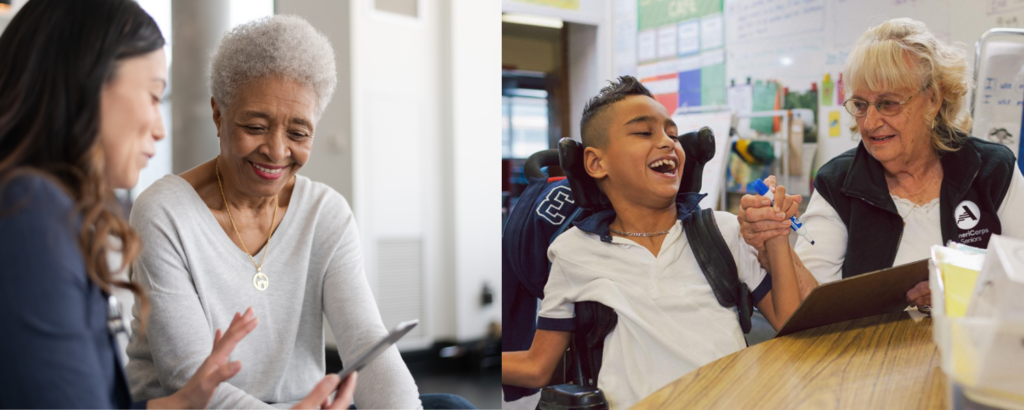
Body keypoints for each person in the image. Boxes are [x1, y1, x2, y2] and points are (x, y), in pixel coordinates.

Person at [0, 1, 354, 408]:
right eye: (153, 96)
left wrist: (185, 402)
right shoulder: (29, 215)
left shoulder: (45, 210)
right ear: (82, 88)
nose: (160, 128)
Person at [123, 15, 474, 410]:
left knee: (449, 407)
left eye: (298, 133)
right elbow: (188, 377)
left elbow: (365, 340)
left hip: (303, 406)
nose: (276, 151)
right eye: (255, 126)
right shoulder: (164, 212)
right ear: (219, 114)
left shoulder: (325, 213)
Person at [501, 76, 803, 409]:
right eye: (644, 132)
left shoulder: (723, 230)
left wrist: (776, 236)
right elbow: (537, 367)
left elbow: (790, 324)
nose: (667, 143)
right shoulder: (572, 251)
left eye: (672, 134)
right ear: (596, 163)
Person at [739, 18, 1024, 309]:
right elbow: (815, 305)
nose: (871, 122)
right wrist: (773, 246)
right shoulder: (837, 184)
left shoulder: (991, 169)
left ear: (934, 98)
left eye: (888, 103)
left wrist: (964, 293)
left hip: (981, 347)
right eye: (860, 105)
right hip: (874, 351)